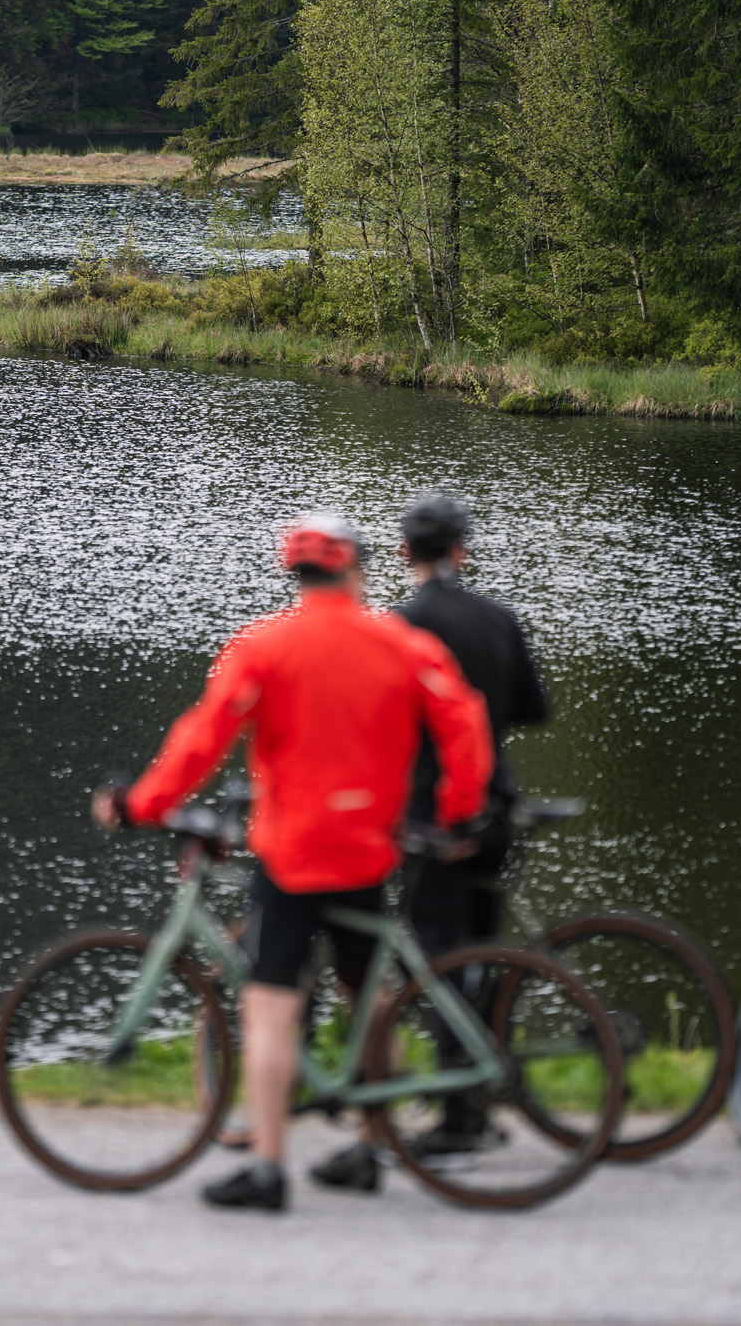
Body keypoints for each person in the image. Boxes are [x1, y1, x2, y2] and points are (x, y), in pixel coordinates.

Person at [93, 514, 493, 1212]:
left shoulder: (264, 645)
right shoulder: (400, 642)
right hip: (368, 848)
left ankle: (269, 1167)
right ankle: (371, 1145)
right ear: (355, 571)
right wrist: (457, 809)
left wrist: (145, 804)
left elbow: (204, 735)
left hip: (292, 855)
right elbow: (464, 718)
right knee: (370, 999)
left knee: (270, 1008)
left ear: (296, 574)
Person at [310, 495, 549, 1194]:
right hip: (495, 812)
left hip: (435, 820)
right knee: (479, 955)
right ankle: (476, 1097)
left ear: (402, 554)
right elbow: (536, 709)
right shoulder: (498, 617)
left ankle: (458, 1120)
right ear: (461, 552)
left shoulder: (403, 624)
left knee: (440, 960)